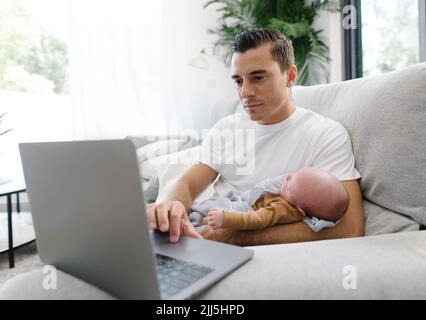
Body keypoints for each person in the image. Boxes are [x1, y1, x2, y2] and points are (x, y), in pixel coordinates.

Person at [147, 28, 364, 245]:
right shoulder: (227, 128)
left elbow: (351, 228)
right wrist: (168, 205)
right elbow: (185, 185)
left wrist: (234, 236)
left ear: (290, 76)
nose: (245, 93)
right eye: (239, 81)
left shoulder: (327, 135)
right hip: (206, 230)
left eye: (258, 77)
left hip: (234, 244)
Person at [195, 167, 349, 232]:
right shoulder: (295, 197)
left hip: (247, 212)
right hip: (247, 203)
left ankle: (198, 220)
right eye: (293, 176)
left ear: (300, 209)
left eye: (289, 185)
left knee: (211, 209)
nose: (287, 178)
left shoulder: (283, 209)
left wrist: (226, 219)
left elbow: (257, 220)